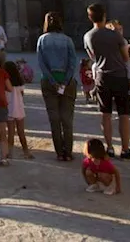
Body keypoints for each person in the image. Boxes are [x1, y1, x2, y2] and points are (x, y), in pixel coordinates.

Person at [84, 3, 130, 160]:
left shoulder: (88, 36)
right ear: (104, 16)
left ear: (90, 18)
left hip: (102, 76)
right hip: (119, 75)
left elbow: (92, 57)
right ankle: (125, 149)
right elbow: (126, 56)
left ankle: (109, 147)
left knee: (105, 114)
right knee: (123, 114)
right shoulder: (115, 35)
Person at [36, 11, 80, 161]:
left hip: (49, 82)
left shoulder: (42, 40)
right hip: (67, 83)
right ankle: (68, 152)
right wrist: (65, 80)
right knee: (67, 119)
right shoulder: (67, 40)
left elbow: (41, 63)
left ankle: (59, 153)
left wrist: (53, 81)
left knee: (54, 118)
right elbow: (73, 62)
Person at [3, 60, 32, 159]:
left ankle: (10, 152)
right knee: (21, 132)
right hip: (19, 108)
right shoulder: (20, 83)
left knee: (10, 133)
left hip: (10, 109)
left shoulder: (5, 83)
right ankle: (26, 152)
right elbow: (22, 94)